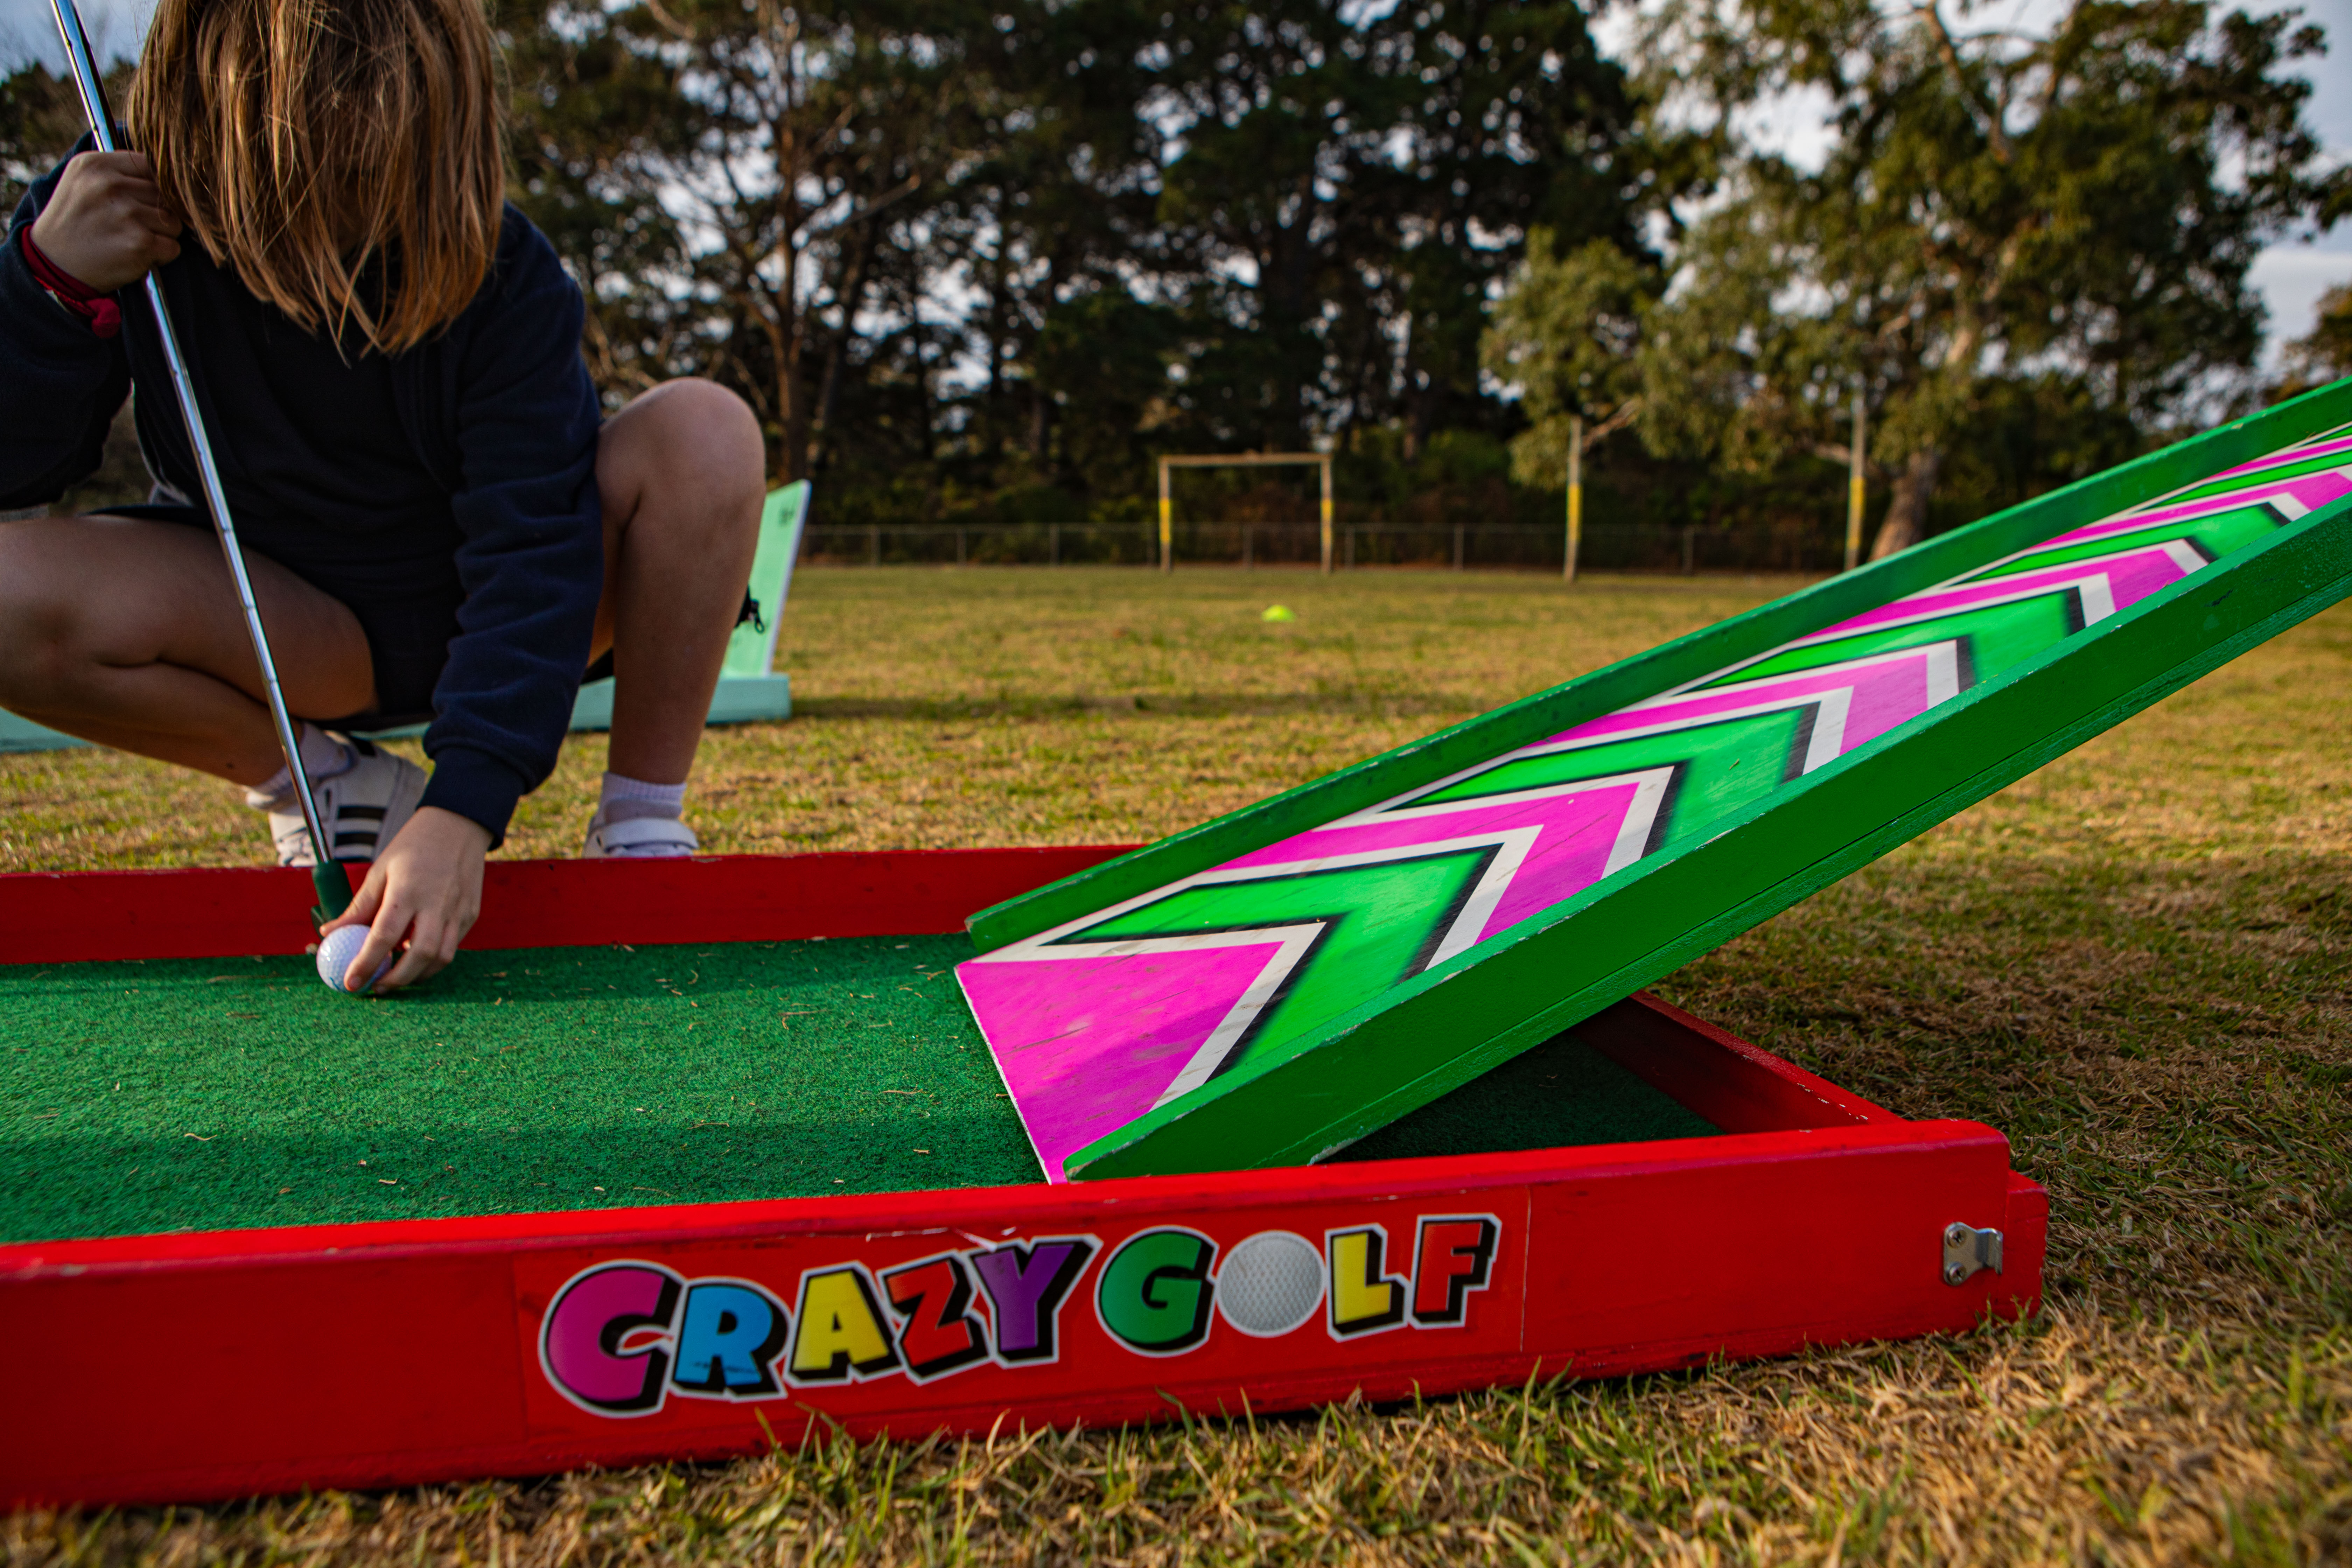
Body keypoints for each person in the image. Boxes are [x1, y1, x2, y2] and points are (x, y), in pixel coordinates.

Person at [0, 0, 764, 993]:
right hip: (281, 628)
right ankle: (319, 778)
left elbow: (534, 546)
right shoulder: (106, 206)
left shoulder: (508, 269)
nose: (343, 211)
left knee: (707, 430)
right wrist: (51, 288)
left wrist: (464, 808)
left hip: (508, 608)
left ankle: (641, 826)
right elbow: (17, 473)